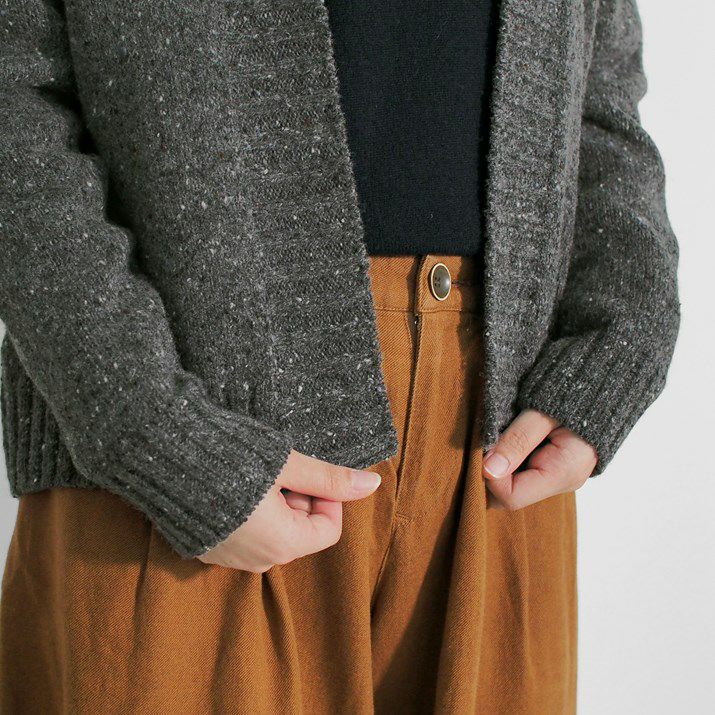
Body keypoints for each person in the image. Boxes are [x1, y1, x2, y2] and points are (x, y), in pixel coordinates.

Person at [0, 0, 679, 712]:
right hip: (186, 422)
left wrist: (624, 336)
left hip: (499, 435)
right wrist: (145, 422)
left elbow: (601, 89)